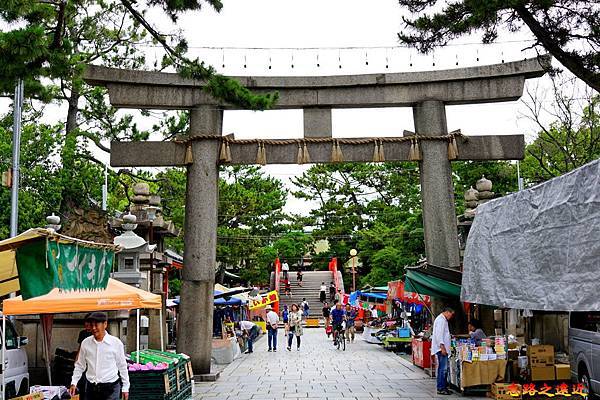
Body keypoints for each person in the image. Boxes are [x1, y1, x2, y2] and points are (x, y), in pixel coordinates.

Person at [69, 312, 129, 400]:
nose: (94, 328)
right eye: (91, 325)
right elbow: (80, 365)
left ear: (105, 324)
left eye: (96, 325)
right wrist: (74, 382)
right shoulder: (85, 343)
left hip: (111, 389)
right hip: (91, 388)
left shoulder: (116, 343)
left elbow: (122, 366)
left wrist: (125, 387)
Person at [432, 307, 455, 395]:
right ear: (447, 312)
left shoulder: (443, 320)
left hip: (443, 348)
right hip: (441, 349)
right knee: (443, 369)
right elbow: (439, 335)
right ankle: (441, 388)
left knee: (443, 368)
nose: (451, 316)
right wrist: (442, 347)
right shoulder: (441, 320)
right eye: (451, 314)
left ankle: (443, 387)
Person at [76, 313, 93, 397]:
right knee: (82, 383)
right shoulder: (83, 333)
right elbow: (80, 348)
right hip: (83, 362)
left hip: (92, 363)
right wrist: (76, 360)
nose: (87, 327)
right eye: (85, 324)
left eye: (88, 324)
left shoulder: (96, 334)